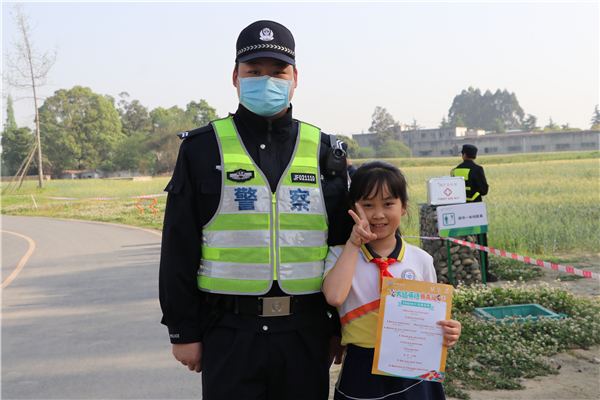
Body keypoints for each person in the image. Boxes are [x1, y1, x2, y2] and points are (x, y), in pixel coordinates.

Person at [159, 20, 353, 400]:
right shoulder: (202, 150)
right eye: (254, 71)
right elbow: (179, 245)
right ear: (235, 77)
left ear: (295, 78)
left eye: (278, 72)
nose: (267, 81)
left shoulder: (325, 152)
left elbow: (341, 245)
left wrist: (338, 328)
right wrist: (183, 331)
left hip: (306, 331)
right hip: (229, 332)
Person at [322, 161, 462, 400]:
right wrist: (354, 244)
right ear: (353, 207)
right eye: (368, 205)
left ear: (404, 207)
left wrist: (449, 330)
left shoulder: (421, 260)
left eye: (388, 204)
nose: (378, 214)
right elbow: (334, 297)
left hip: (414, 368)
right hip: (361, 366)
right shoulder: (340, 255)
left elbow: (432, 318)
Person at [451, 144, 499, 282]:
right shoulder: (477, 169)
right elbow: (484, 190)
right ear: (474, 156)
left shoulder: (455, 170)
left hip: (459, 209)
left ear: (464, 155)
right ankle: (484, 272)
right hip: (475, 210)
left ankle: (464, 271)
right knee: (480, 241)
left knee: (463, 241)